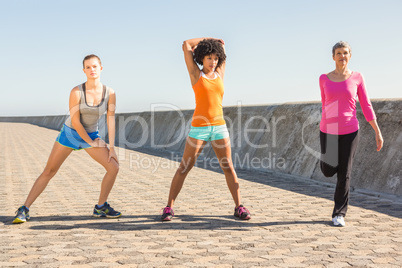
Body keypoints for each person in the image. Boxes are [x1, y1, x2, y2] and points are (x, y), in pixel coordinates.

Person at [13, 54, 121, 223]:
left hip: (92, 134)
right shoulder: (76, 91)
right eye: (88, 67)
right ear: (84, 70)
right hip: (71, 133)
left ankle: (100, 207)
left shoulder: (110, 93)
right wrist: (91, 143)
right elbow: (76, 122)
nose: (91, 70)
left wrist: (112, 148)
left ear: (101, 68)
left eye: (94, 66)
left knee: (113, 167)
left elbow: (111, 119)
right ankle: (24, 208)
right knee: (50, 171)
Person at [161, 38, 251, 221]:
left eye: (215, 58)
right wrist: (205, 40)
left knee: (228, 167)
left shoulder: (220, 73)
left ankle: (239, 207)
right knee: (184, 168)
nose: (213, 62)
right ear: (201, 58)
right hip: (199, 128)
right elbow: (186, 44)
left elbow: (223, 45)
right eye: (209, 58)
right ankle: (169, 207)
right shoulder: (196, 74)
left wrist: (217, 43)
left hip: (219, 127)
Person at [319, 41, 383, 227]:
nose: (342, 56)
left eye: (345, 53)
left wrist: (377, 131)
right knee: (328, 170)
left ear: (350, 55)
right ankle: (328, 162)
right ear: (333, 57)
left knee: (345, 173)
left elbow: (366, 104)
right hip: (329, 130)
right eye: (338, 53)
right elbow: (325, 104)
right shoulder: (324, 78)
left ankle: (339, 213)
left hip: (350, 130)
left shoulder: (357, 77)